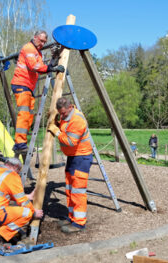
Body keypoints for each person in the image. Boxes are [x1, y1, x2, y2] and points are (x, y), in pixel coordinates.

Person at [11, 30, 65, 157]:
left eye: (44, 42)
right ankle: (20, 144)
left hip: (29, 86)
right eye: (41, 41)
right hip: (21, 84)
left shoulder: (37, 53)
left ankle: (20, 142)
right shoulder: (29, 48)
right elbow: (34, 66)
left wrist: (54, 60)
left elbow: (43, 68)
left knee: (29, 115)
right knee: (24, 113)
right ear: (34, 37)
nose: (42, 43)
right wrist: (51, 68)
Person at [0, 157, 43, 248]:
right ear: (16, 166)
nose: (18, 173)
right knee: (27, 213)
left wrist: (28, 196)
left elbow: (0, 194)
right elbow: (23, 202)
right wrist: (34, 212)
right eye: (19, 171)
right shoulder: (12, 175)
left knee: (6, 211)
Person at [47, 97, 93, 234]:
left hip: (81, 157)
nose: (62, 116)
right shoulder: (66, 115)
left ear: (70, 107)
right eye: (60, 114)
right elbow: (63, 126)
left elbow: (71, 141)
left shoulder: (77, 120)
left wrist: (56, 131)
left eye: (64, 114)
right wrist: (55, 121)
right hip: (73, 157)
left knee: (78, 191)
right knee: (70, 189)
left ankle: (79, 223)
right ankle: (72, 217)